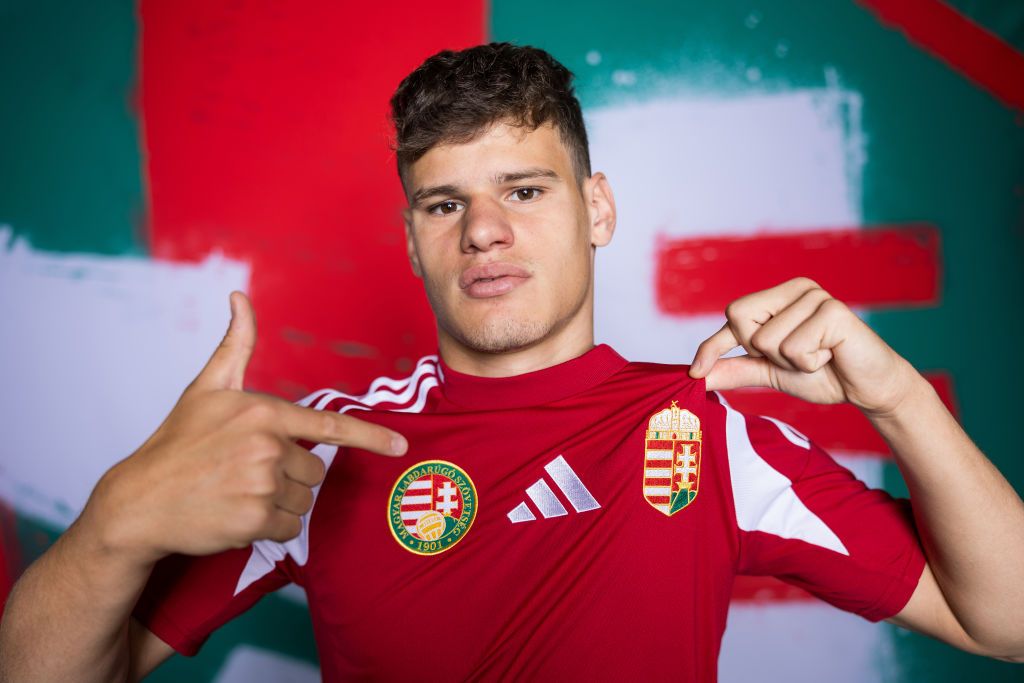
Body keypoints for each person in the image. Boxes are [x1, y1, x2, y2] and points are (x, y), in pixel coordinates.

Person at [1, 42, 1023, 682]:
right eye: (446, 204)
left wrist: (895, 396)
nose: (483, 231)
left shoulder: (706, 428)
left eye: (525, 191)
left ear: (597, 209)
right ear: (412, 239)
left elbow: (1006, 622)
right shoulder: (323, 447)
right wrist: (113, 521)